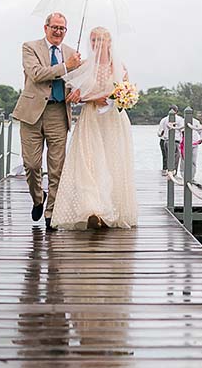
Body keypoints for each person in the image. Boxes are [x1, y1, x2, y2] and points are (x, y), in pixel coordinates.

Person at [50, 26, 138, 230]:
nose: (97, 44)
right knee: (90, 163)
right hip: (91, 119)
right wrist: (91, 97)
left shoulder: (120, 67)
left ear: (109, 43)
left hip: (114, 121)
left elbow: (127, 97)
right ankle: (93, 209)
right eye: (93, 41)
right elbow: (74, 96)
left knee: (112, 163)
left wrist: (121, 98)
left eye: (100, 40)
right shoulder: (84, 66)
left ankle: (111, 209)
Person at [11, 12, 81, 231]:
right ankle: (38, 198)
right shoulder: (30, 47)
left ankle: (51, 213)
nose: (58, 32)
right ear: (46, 28)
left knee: (56, 168)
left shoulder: (72, 54)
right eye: (55, 27)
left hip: (59, 113)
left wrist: (78, 89)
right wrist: (66, 66)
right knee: (31, 165)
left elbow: (79, 79)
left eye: (62, 28)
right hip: (31, 114)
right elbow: (36, 74)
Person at [157, 106, 185, 173]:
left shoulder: (164, 120)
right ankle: (173, 172)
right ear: (177, 111)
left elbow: (159, 133)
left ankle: (166, 170)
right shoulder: (180, 119)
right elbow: (183, 130)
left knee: (166, 157)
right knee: (176, 157)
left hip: (165, 140)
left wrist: (162, 134)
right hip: (175, 141)